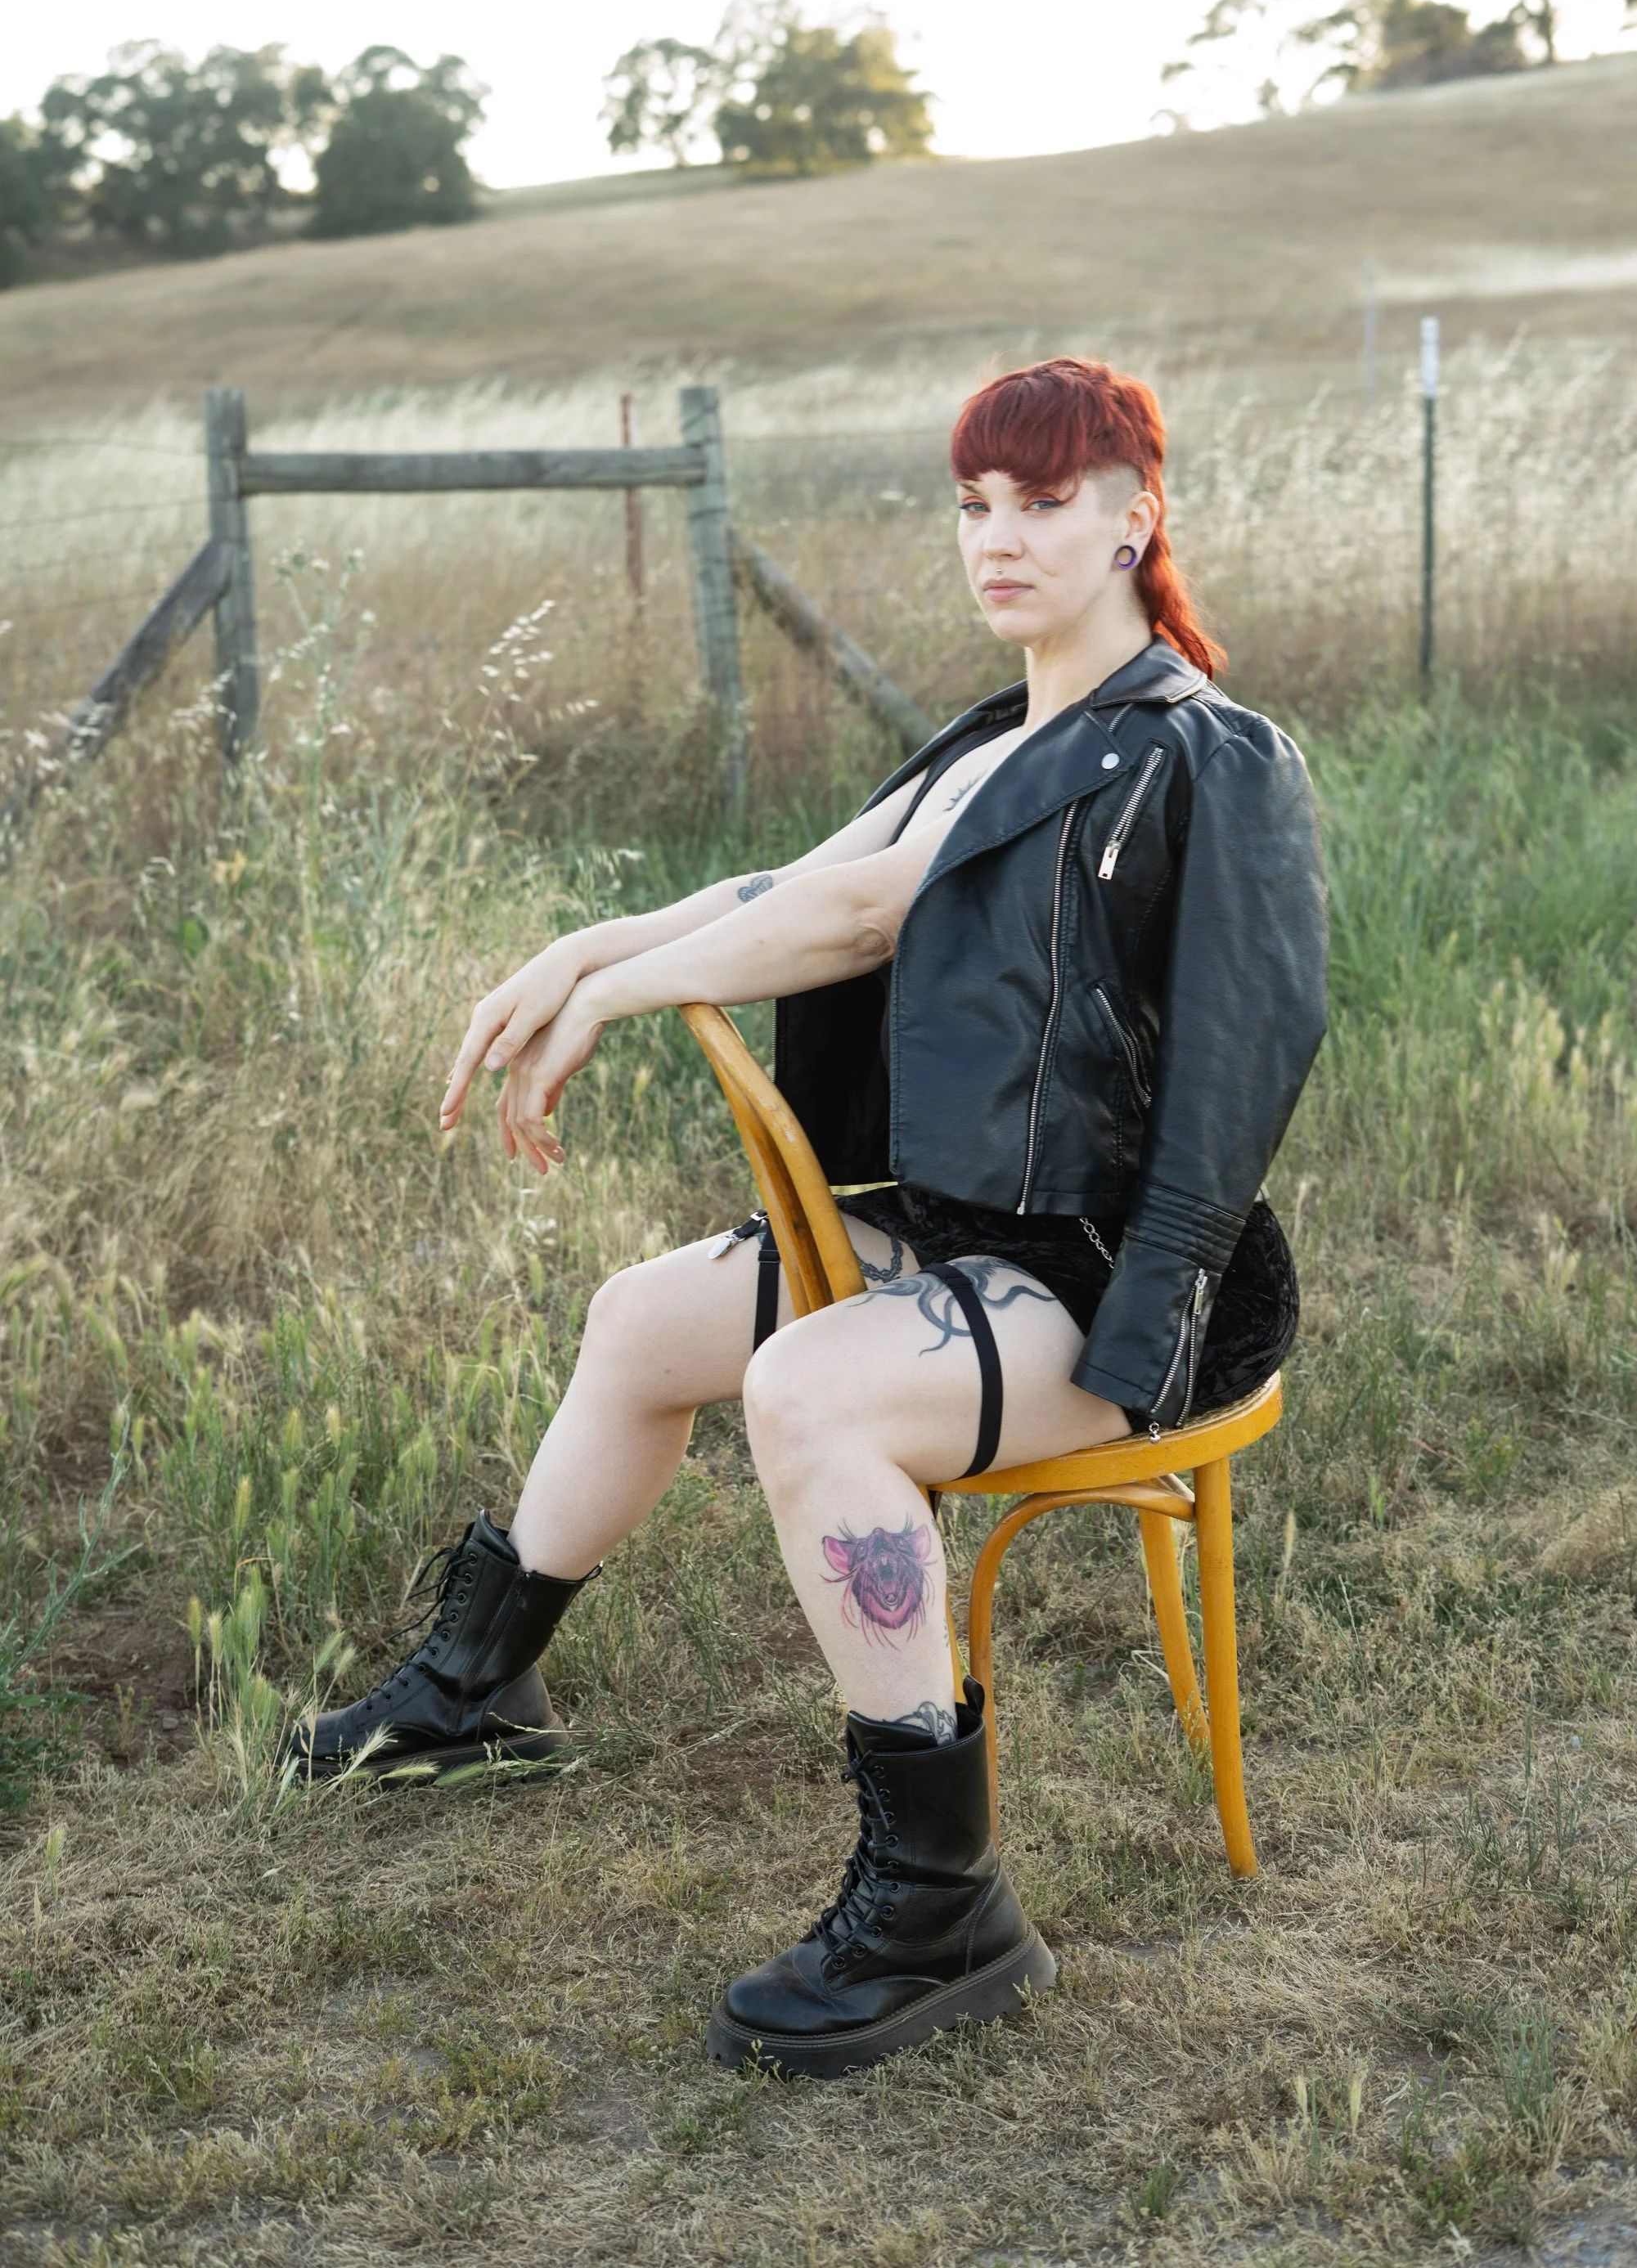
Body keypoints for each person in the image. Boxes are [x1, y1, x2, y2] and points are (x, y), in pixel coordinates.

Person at [287, 357, 1328, 2079]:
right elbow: (791, 881)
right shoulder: (1003, 742)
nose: (998, 539)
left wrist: (619, 1002)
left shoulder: (1206, 758)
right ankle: (474, 1694)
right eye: (974, 505)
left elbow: (858, 918)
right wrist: (585, 949)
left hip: (1137, 1275)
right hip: (975, 1239)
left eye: (1043, 502)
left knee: (810, 1392)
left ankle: (942, 1905)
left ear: (1136, 512)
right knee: (638, 1321)